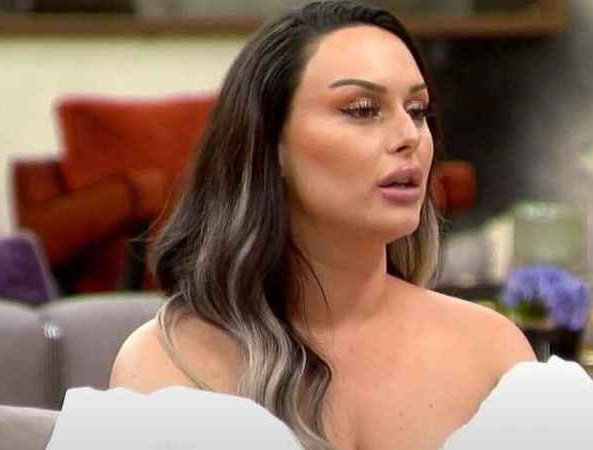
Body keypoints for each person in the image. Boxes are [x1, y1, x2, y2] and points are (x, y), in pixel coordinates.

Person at [109, 2, 537, 449]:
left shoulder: (493, 354)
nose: (410, 135)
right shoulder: (162, 366)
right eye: (362, 109)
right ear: (271, 144)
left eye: (417, 109)